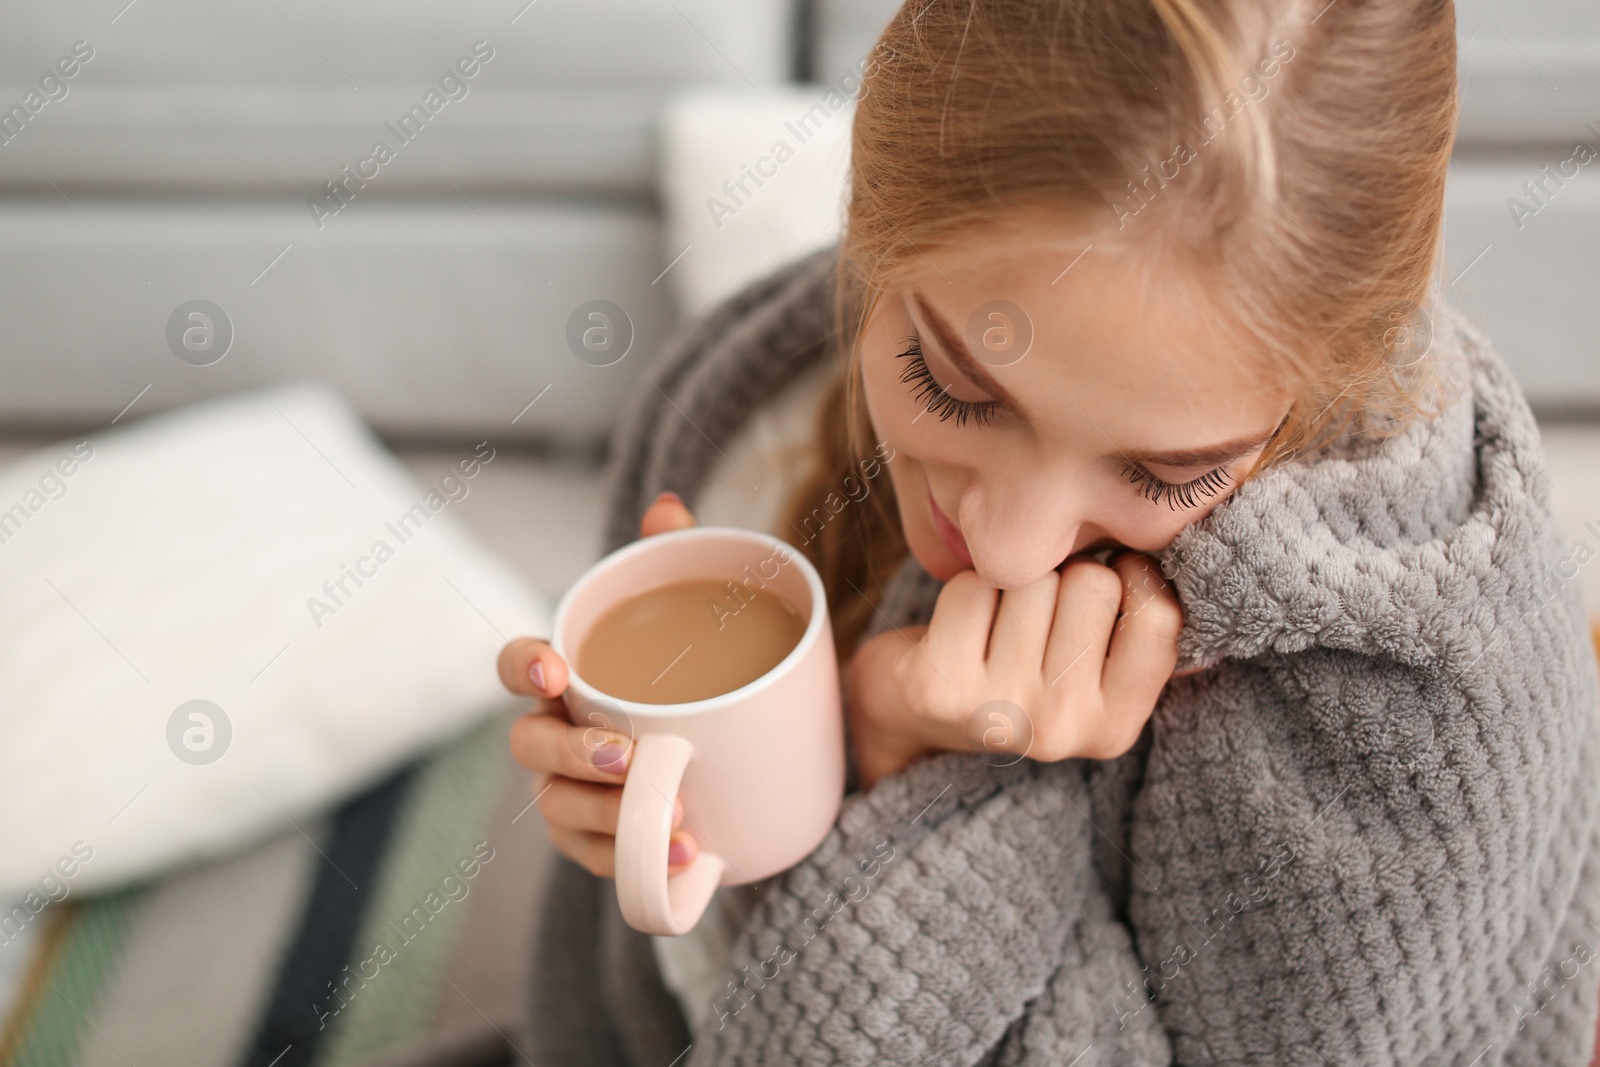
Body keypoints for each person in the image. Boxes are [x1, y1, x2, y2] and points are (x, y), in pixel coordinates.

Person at [498, 1, 1600, 1063]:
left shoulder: (1418, 727)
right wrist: (724, 813)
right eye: (951, 381)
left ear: (1321, 389)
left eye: (1168, 469)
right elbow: (631, 980)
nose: (1010, 550)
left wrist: (917, 783)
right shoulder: (749, 395)